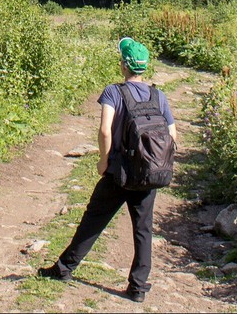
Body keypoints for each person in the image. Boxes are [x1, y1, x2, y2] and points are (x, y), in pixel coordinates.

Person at [39, 36, 176, 302]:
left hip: (118, 173)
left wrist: (103, 160)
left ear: (124, 65)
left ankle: (64, 269)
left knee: (94, 219)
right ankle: (137, 288)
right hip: (148, 174)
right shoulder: (159, 96)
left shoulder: (114, 92)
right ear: (144, 67)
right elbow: (172, 135)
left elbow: (104, 130)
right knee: (143, 229)